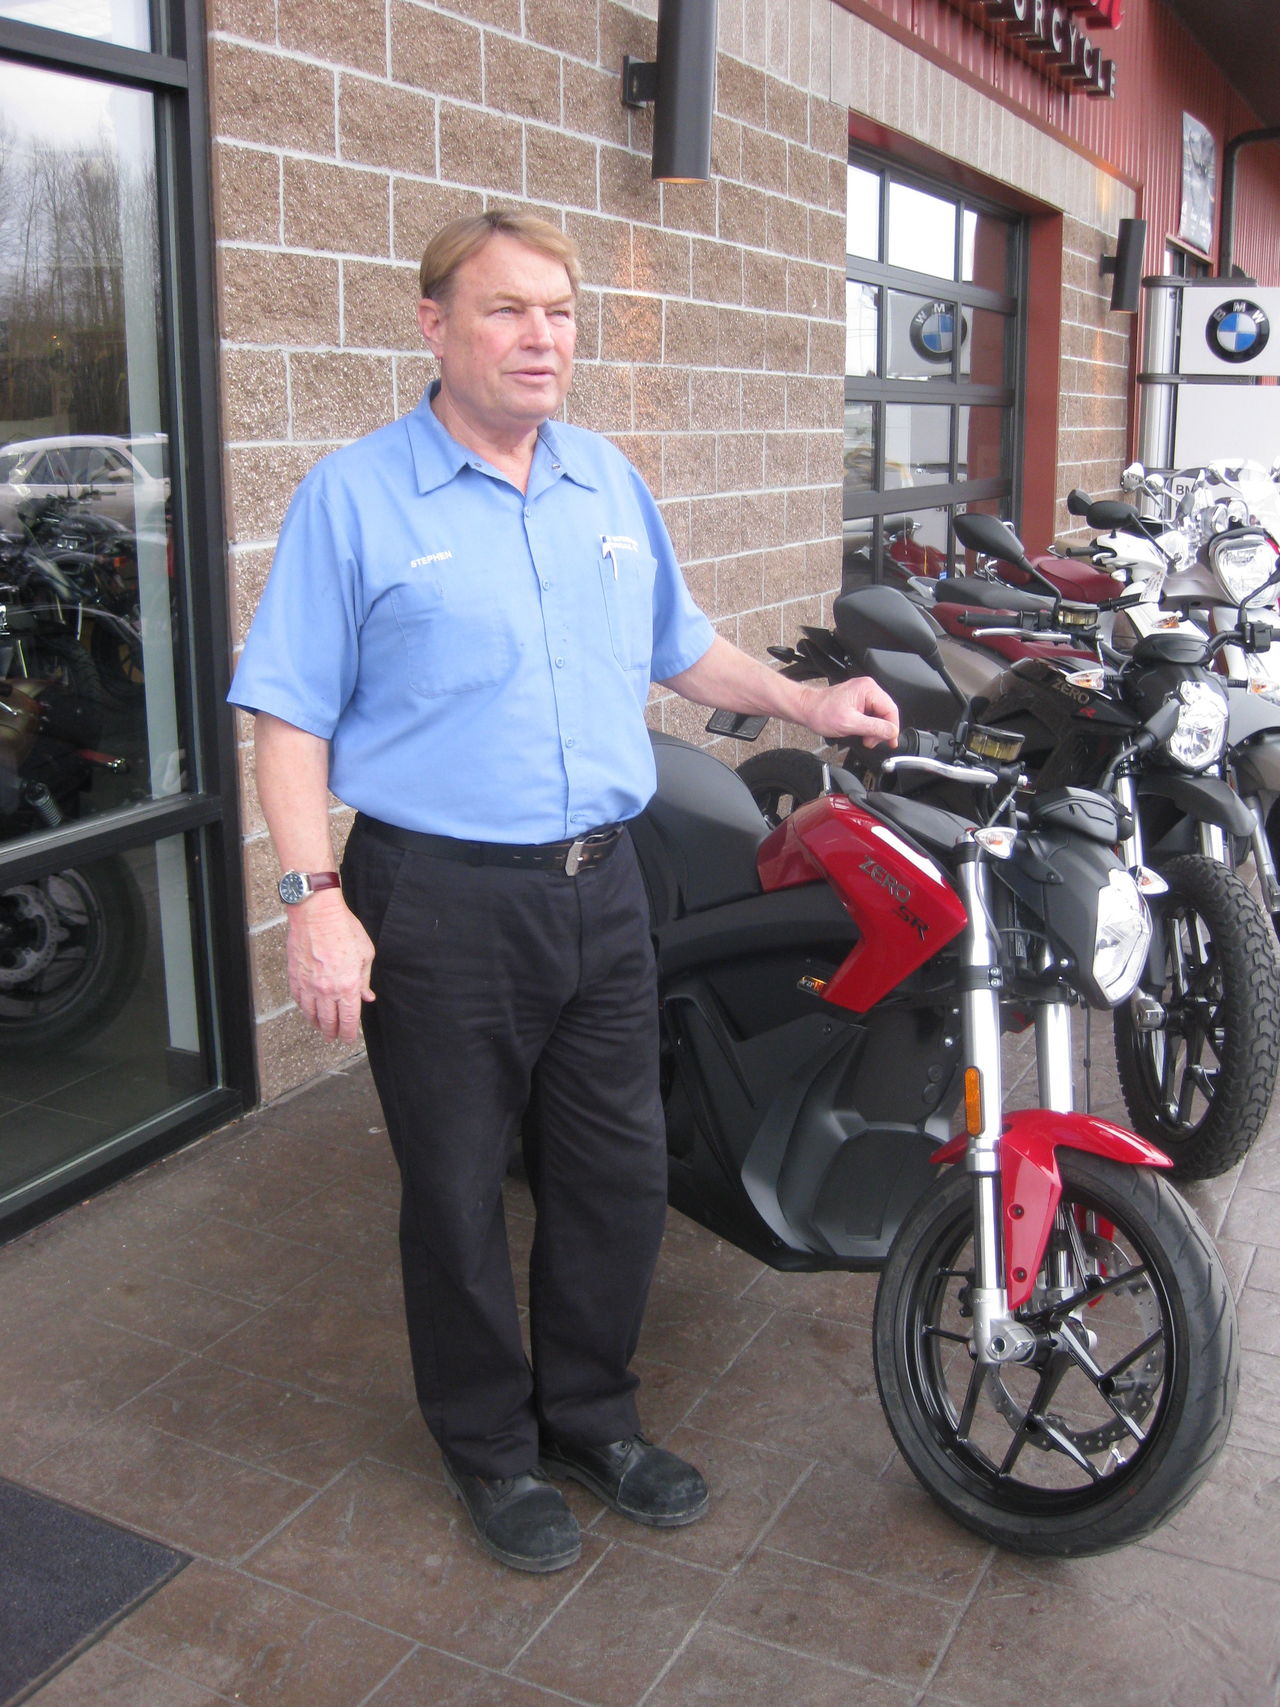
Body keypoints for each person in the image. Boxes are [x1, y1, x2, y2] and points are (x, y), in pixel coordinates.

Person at [229, 209, 898, 1575]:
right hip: (435, 901)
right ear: (434, 326)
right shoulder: (354, 498)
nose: (544, 338)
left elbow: (681, 646)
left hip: (605, 893)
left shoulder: (605, 481)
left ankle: (591, 1413)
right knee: (460, 1187)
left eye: (563, 313)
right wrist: (312, 900)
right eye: (508, 310)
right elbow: (287, 721)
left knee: (616, 1173)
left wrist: (804, 697)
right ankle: (489, 1446)